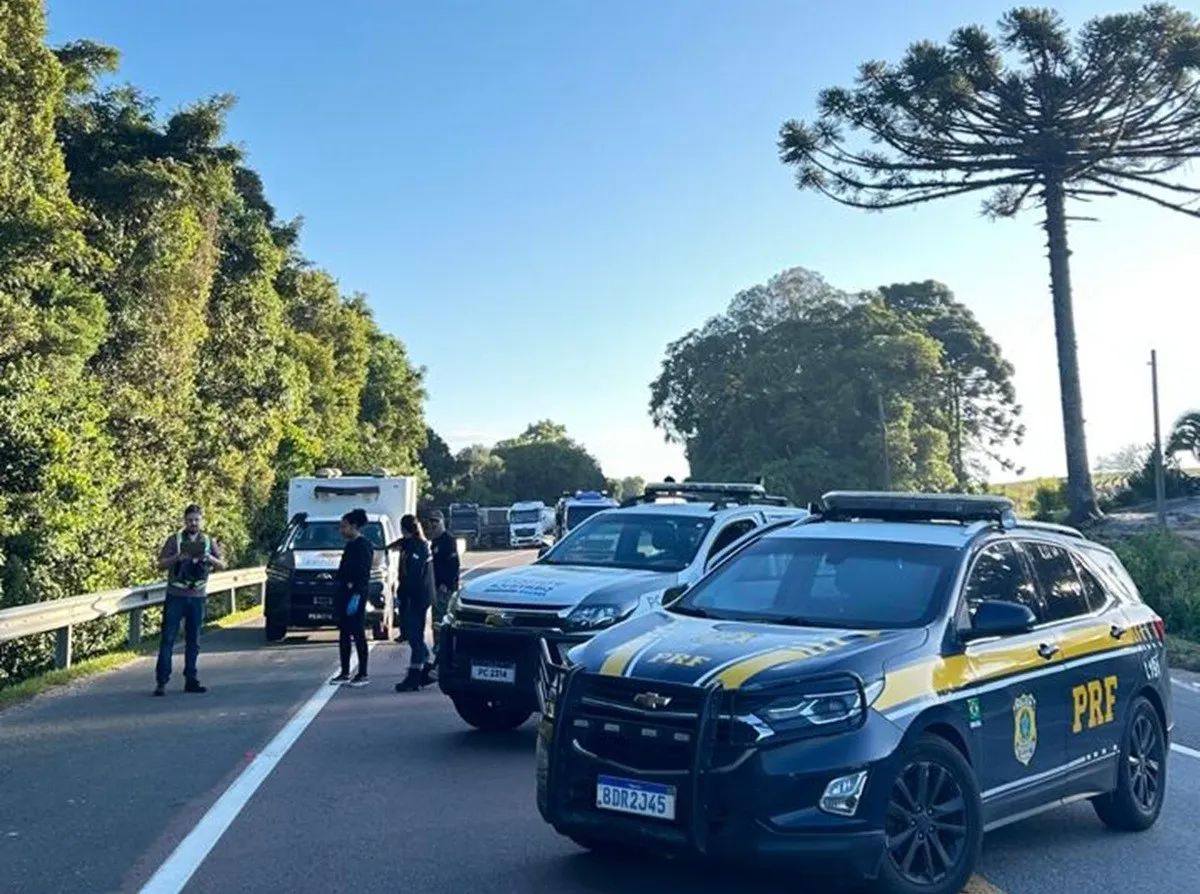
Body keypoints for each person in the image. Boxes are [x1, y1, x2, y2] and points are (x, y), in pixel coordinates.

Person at [154, 504, 226, 696]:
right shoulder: (175, 540)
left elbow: (222, 565)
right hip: (175, 596)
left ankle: (191, 680)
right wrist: (178, 557)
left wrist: (209, 558)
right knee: (167, 639)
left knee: (193, 641)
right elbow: (160, 564)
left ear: (202, 520)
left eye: (196, 519)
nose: (193, 523)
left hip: (197, 597)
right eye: (190, 520)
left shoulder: (209, 541)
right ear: (184, 521)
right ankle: (162, 681)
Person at [391, 514, 436, 692]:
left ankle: (415, 675)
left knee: (415, 635)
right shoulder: (412, 544)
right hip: (418, 595)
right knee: (411, 634)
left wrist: (404, 593)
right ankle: (426, 666)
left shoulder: (417, 547)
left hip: (417, 596)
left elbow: (414, 575)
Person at [330, 508, 373, 687]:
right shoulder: (350, 545)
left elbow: (363, 573)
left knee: (358, 633)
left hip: (356, 594)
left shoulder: (363, 546)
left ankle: (363, 673)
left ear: (354, 526)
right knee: (344, 633)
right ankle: (345, 671)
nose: (342, 530)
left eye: (344, 526)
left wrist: (355, 590)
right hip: (344, 594)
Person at [425, 510, 461, 685]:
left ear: (442, 523)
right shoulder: (434, 542)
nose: (432, 525)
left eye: (435, 522)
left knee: (442, 624)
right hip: (436, 588)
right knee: (436, 624)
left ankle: (440, 663)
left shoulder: (448, 540)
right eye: (430, 522)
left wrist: (446, 584)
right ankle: (439, 659)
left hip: (444, 589)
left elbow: (453, 565)